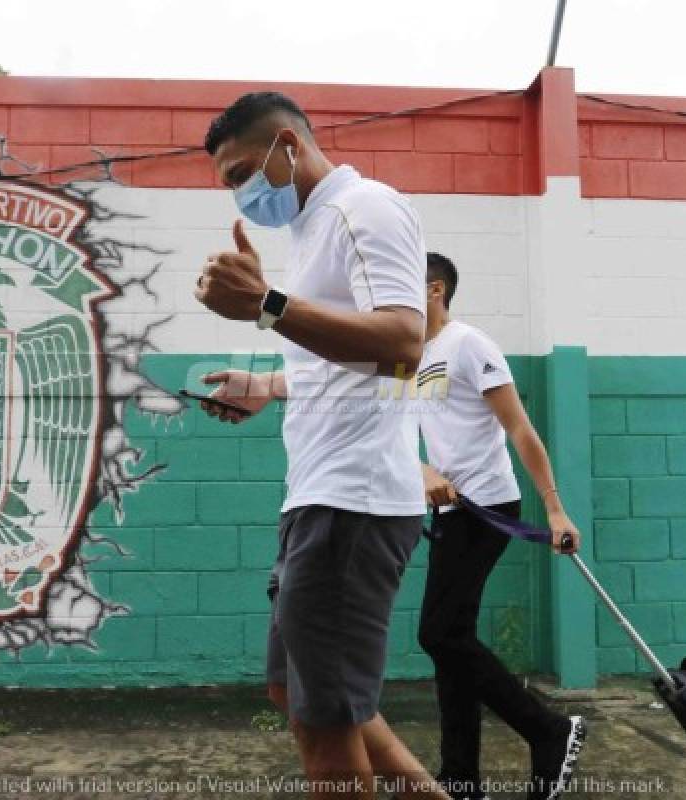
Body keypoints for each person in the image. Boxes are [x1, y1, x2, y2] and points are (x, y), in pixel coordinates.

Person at [194, 92, 449, 800]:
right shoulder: (311, 230)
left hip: (352, 504)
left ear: (289, 146)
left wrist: (267, 306)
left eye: (242, 172)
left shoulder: (364, 208)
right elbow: (340, 367)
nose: (241, 193)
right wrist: (267, 385)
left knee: (327, 724)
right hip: (320, 497)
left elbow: (403, 345)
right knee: (294, 692)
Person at [414, 252, 588, 800]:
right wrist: (419, 468)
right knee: (450, 643)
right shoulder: (404, 354)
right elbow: (393, 430)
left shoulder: (469, 344)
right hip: (448, 511)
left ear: (435, 289)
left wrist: (554, 507)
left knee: (439, 633)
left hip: (487, 506)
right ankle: (461, 779)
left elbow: (520, 429)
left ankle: (549, 730)